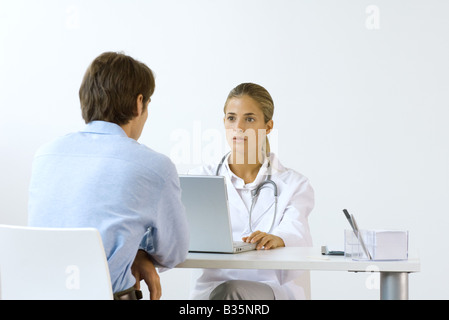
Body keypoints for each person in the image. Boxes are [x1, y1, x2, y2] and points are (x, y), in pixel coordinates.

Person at [28, 52, 189, 300]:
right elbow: (174, 252)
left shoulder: (45, 155)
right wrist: (138, 253)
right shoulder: (154, 166)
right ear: (139, 103)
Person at [189, 83, 314, 300]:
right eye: (231, 118)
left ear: (268, 126)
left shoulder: (294, 184)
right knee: (226, 292)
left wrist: (278, 238)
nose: (239, 127)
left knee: (231, 292)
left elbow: (297, 231)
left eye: (249, 119)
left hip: (270, 288)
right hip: (211, 290)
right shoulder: (200, 178)